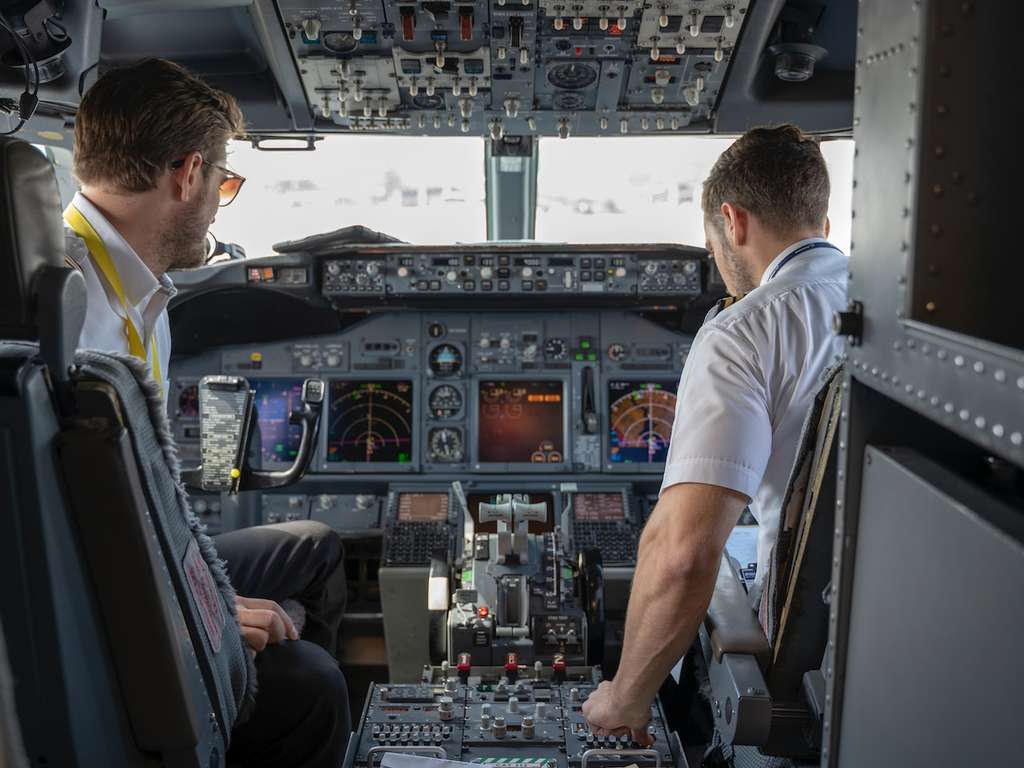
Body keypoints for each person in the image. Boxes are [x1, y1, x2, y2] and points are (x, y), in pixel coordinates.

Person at [64, 58, 350, 767]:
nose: (223, 203)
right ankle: (249, 712)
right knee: (312, 683)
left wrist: (209, 600)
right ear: (186, 174)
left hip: (136, 551)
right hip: (94, 593)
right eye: (225, 181)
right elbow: (70, 541)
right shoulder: (69, 310)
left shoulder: (131, 289)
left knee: (312, 548)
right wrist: (205, 616)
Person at [582, 125, 847, 743]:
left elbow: (684, 555)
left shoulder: (745, 330)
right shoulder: (902, 307)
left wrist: (623, 699)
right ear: (823, 225)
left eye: (711, 246)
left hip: (797, 661)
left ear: (732, 222)